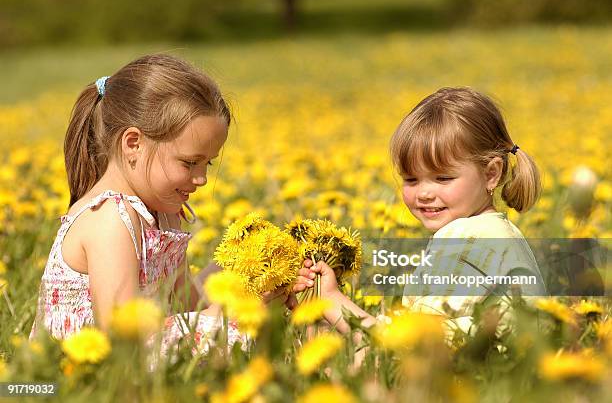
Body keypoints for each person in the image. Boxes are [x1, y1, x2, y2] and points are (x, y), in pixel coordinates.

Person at [29, 54, 288, 349]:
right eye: (190, 163)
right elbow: (123, 339)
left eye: (208, 165)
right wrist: (226, 316)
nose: (201, 178)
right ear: (133, 144)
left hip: (149, 354)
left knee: (259, 323)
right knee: (242, 332)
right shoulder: (110, 220)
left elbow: (184, 300)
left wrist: (242, 273)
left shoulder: (163, 212)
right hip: (85, 375)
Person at [296, 86, 546, 338]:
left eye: (443, 178)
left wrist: (330, 298)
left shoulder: (470, 238)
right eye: (412, 180)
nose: (424, 193)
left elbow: (413, 342)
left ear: (491, 173)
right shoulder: (493, 231)